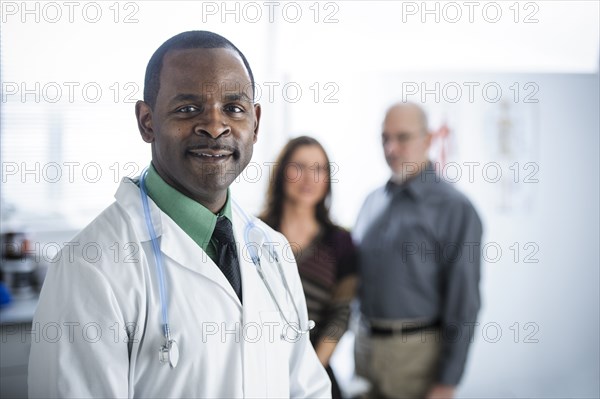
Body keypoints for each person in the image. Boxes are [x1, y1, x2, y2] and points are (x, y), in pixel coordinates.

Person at [28, 31, 331, 398]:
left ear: (255, 122)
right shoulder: (91, 266)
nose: (215, 126)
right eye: (188, 109)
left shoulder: (273, 249)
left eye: (233, 109)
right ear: (147, 121)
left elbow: (307, 389)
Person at [353, 103, 483, 399]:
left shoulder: (455, 208)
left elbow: (464, 302)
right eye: (385, 138)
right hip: (365, 353)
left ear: (428, 139)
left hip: (417, 358)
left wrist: (447, 382)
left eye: (402, 137)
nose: (391, 148)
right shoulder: (372, 201)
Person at [260, 136, 358, 399]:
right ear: (281, 172)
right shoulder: (253, 232)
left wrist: (307, 374)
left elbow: (341, 316)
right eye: (299, 167)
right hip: (256, 371)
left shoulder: (340, 242)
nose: (309, 178)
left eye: (319, 169)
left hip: (315, 376)